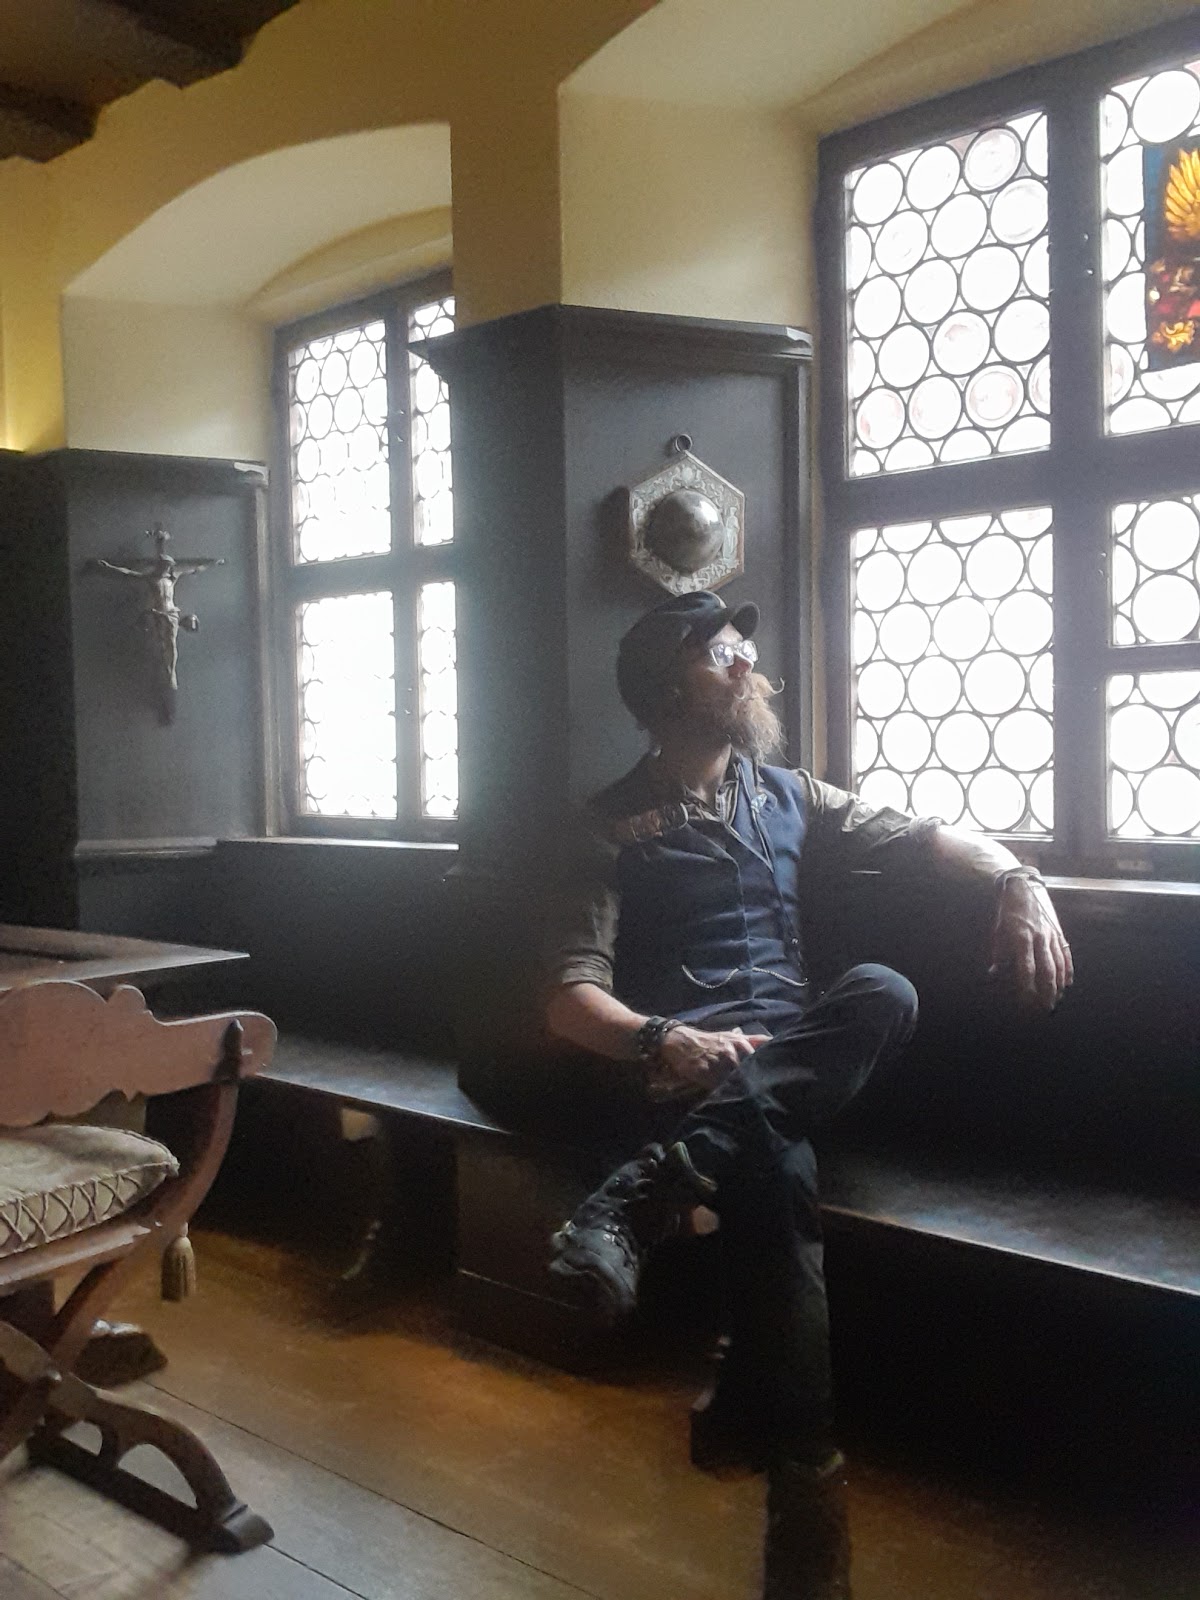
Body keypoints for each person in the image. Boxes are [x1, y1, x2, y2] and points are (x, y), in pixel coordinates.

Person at [543, 590, 1072, 1600]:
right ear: (666, 689)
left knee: (884, 992)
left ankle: (651, 1195)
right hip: (688, 1075)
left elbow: (930, 838)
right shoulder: (604, 827)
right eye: (720, 653)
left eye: (741, 648)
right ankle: (807, 1506)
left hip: (797, 1059)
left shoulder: (791, 794)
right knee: (773, 1167)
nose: (747, 664)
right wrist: (668, 1038)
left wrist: (1019, 879)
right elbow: (569, 1000)